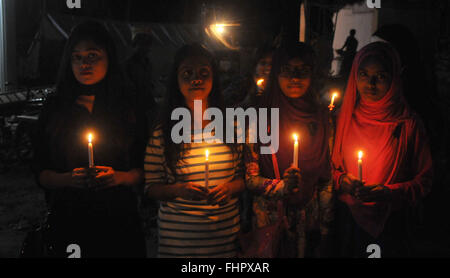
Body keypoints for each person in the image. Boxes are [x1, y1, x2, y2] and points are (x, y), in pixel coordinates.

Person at [32, 21, 147, 257]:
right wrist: (67, 179)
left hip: (118, 219)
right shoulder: (55, 108)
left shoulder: (128, 106)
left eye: (93, 55)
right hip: (69, 217)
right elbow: (40, 170)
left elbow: (145, 165)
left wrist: (120, 177)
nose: (84, 64)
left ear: (109, 57)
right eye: (77, 57)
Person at [331, 42, 433, 257]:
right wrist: (342, 180)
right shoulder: (343, 118)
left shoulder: (408, 124)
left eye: (381, 76)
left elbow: (424, 181)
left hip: (392, 221)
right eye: (364, 74)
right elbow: (326, 168)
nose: (371, 83)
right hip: (347, 218)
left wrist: (389, 192)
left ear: (395, 78)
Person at [144, 43, 245, 258]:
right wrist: (178, 190)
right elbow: (151, 187)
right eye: (187, 73)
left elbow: (242, 178)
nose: (195, 79)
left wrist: (229, 188)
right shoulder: (164, 132)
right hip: (179, 243)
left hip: (224, 240)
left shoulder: (233, 126)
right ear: (176, 81)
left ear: (213, 79)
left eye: (203, 73)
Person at [245, 41, 333, 258]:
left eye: (302, 71)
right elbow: (250, 178)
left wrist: (326, 226)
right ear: (276, 73)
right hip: (271, 219)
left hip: (310, 220)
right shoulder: (259, 117)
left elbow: (327, 177)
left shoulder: (322, 118)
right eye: (286, 71)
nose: (295, 78)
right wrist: (282, 186)